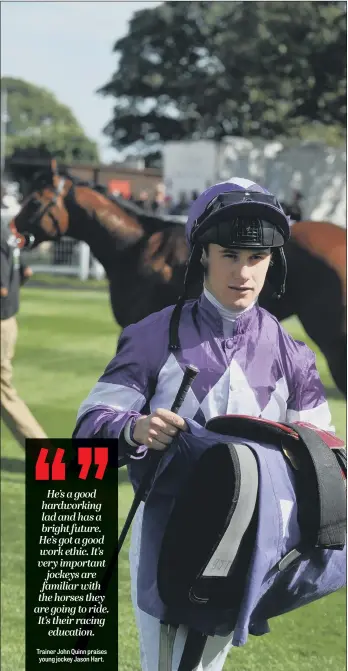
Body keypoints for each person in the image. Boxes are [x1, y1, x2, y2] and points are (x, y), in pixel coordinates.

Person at [74, 177, 334, 670]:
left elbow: (323, 452)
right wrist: (136, 428)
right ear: (203, 256)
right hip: (168, 531)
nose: (243, 272)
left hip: (251, 542)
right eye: (230, 255)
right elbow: (90, 425)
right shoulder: (152, 335)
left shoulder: (293, 355)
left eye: (256, 258)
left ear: (272, 262)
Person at [1, 224, 47, 448]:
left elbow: (1, 288)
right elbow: (25, 272)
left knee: (4, 394)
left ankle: (48, 457)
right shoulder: (6, 231)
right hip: (7, 320)